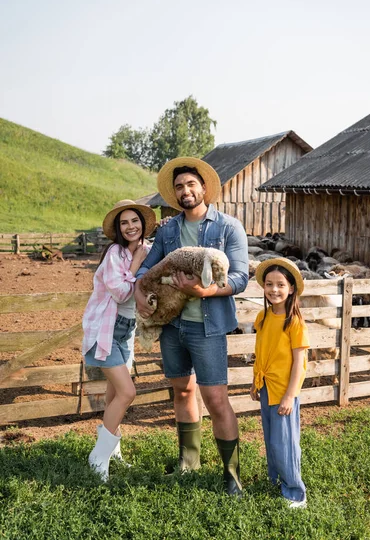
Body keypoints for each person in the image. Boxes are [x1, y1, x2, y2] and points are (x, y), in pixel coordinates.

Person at [134, 157, 248, 496]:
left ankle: (233, 477)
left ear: (203, 189)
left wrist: (206, 291)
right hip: (173, 326)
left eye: (191, 185)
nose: (186, 191)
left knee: (215, 398)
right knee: (182, 390)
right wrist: (140, 290)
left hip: (208, 327)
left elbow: (241, 278)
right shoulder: (168, 230)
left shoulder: (228, 227)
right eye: (180, 186)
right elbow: (147, 269)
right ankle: (189, 462)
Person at [82, 199, 156, 481]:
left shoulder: (148, 250)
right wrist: (136, 262)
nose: (130, 227)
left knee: (115, 394)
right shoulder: (116, 253)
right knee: (127, 393)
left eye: (134, 221)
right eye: (124, 223)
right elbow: (121, 294)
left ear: (142, 224)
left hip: (126, 330)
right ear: (118, 228)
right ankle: (98, 457)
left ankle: (112, 451)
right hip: (106, 330)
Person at [250, 257, 310, 508]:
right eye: (269, 284)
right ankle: (276, 480)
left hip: (284, 391)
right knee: (270, 436)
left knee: (284, 441)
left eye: (281, 285)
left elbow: (300, 363)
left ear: (291, 289)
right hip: (266, 387)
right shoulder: (262, 317)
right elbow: (262, 351)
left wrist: (290, 395)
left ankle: (295, 492)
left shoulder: (294, 322)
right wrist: (256, 381)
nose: (274, 290)